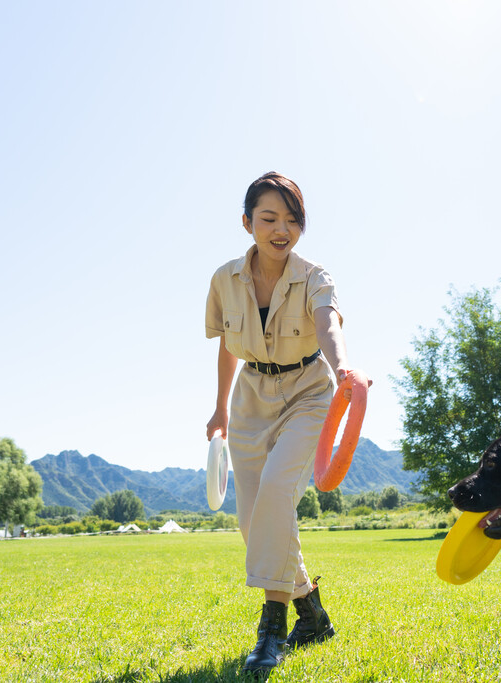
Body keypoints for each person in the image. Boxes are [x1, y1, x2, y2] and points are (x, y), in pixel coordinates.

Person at [204, 172, 368, 676]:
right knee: (252, 522)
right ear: (247, 222)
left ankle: (271, 627)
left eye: (292, 220)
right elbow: (229, 348)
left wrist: (342, 368)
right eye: (270, 218)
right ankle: (312, 616)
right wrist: (220, 409)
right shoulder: (224, 279)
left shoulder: (315, 276)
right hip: (251, 396)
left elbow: (327, 324)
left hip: (310, 392)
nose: (282, 229)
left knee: (277, 492)